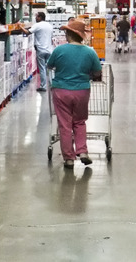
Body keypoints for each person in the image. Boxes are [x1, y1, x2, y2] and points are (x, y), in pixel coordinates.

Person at [47, 19, 102, 169]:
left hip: (61, 90)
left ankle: (69, 159)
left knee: (65, 125)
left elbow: (49, 65)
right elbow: (97, 71)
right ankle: (82, 151)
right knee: (79, 121)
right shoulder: (90, 52)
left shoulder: (59, 50)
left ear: (69, 34)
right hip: (82, 91)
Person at [21, 12, 54, 92]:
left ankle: (43, 86)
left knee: (42, 68)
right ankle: (52, 85)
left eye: (36, 16)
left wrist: (20, 26)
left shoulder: (37, 25)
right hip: (49, 50)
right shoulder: (50, 26)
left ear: (40, 17)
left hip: (41, 50)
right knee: (49, 68)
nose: (35, 18)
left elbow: (27, 32)